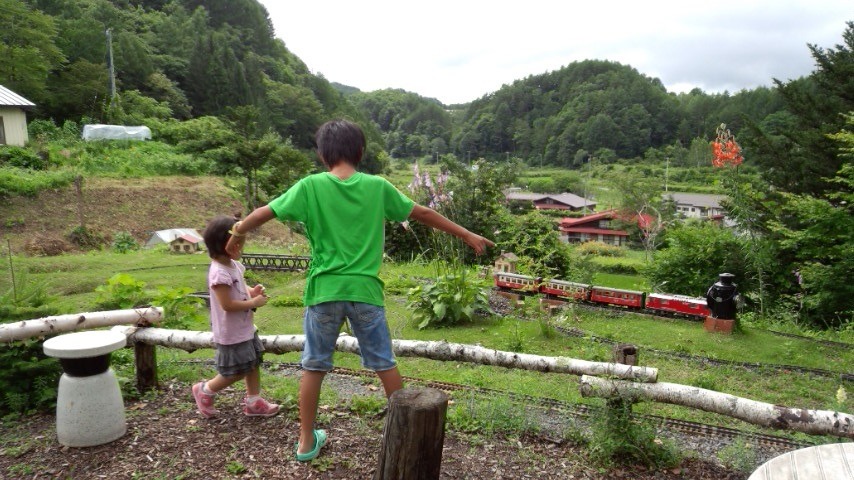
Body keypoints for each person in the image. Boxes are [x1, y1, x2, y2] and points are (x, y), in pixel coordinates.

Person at [225, 119, 494, 462]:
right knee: (383, 362)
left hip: (323, 291)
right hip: (366, 291)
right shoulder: (377, 186)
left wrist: (237, 231)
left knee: (313, 365)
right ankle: (406, 433)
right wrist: (466, 234)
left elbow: (265, 212)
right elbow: (423, 212)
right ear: (361, 152)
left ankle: (306, 441)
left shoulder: (310, 186)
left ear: (322, 154)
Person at [191, 215, 280, 419]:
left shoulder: (233, 265)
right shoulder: (219, 273)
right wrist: (253, 303)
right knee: (236, 371)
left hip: (245, 328)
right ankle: (205, 390)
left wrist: (252, 291)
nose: (241, 247)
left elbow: (239, 287)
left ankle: (253, 401)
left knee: (253, 363)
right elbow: (227, 304)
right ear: (225, 244)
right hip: (231, 333)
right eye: (238, 243)